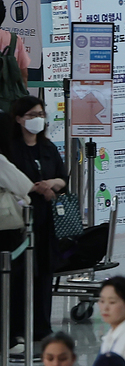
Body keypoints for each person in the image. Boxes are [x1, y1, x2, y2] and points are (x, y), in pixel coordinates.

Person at [0, 96, 64, 344]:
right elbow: (18, 184)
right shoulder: (10, 150)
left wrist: (52, 185)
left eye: (40, 114)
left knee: (44, 270)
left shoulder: (47, 148)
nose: (37, 120)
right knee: (20, 274)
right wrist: (37, 188)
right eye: (31, 115)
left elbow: (62, 178)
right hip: (19, 220)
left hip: (47, 218)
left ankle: (41, 326)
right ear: (18, 119)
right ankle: (18, 329)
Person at [20, 332, 91, 366]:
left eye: (62, 359)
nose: (56, 364)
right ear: (43, 359)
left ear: (73, 359)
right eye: (50, 359)